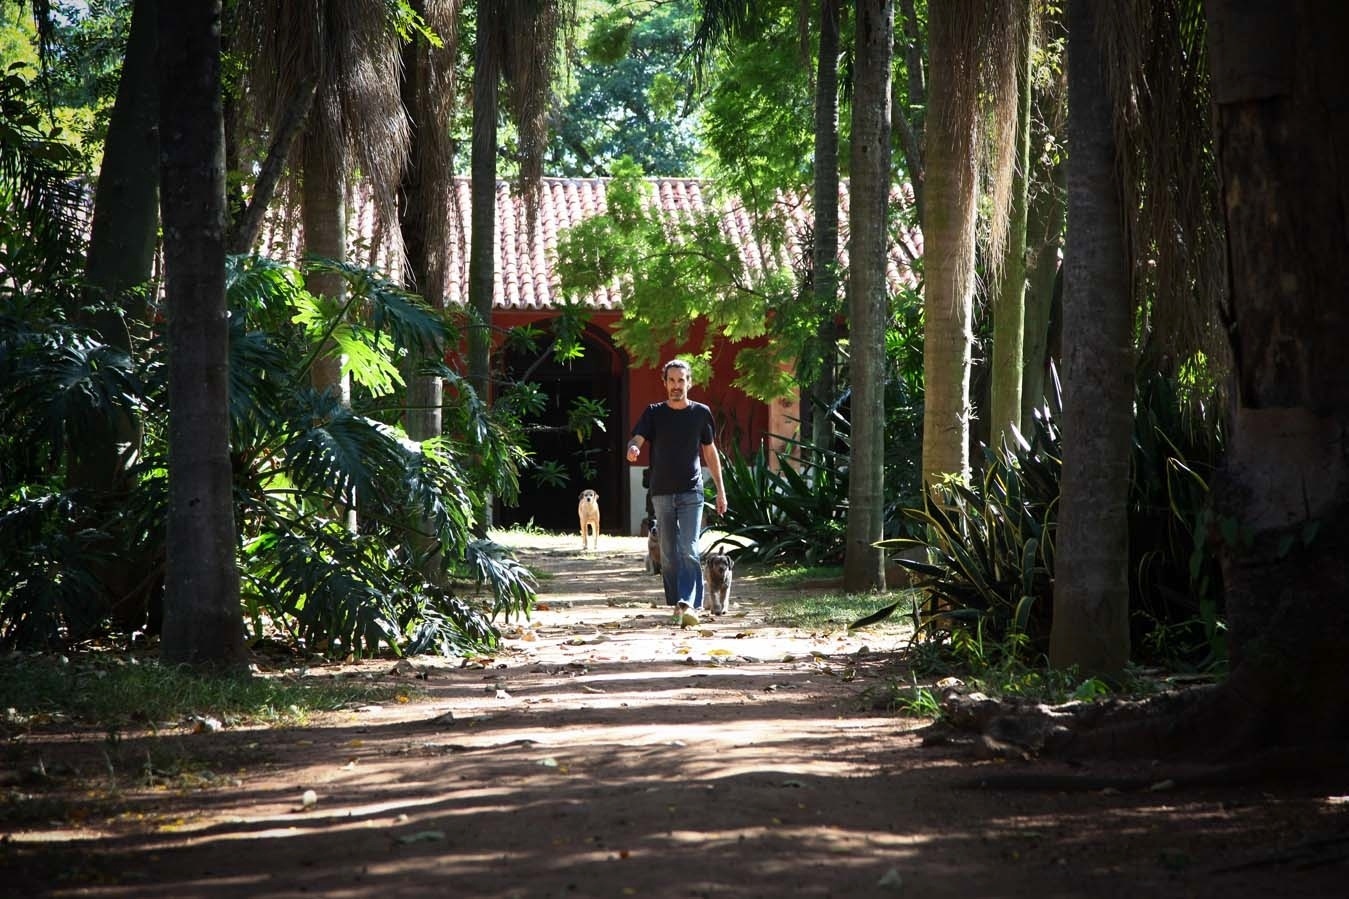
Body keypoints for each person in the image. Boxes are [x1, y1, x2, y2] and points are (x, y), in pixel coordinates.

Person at [626, 359, 728, 609]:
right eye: (671, 380)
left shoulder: (700, 413)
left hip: (691, 492)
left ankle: (689, 602)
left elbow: (710, 452)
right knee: (669, 555)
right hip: (661, 493)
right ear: (664, 383)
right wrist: (633, 448)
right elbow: (638, 437)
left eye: (681, 380)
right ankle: (676, 603)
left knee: (689, 549)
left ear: (689, 382)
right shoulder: (654, 412)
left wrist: (721, 492)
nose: (676, 385)